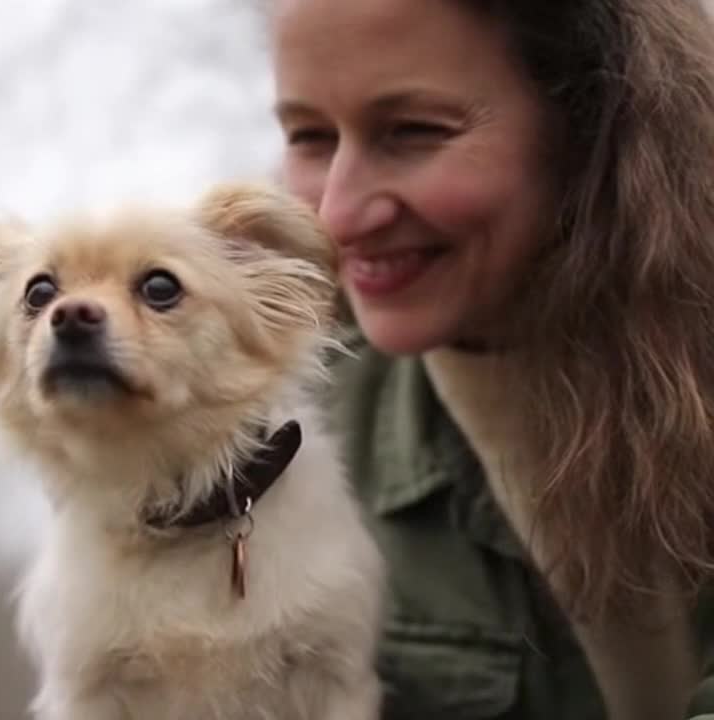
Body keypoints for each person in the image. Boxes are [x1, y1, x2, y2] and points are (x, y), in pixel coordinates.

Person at [268, 0, 714, 717]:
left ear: (591, 122)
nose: (337, 217)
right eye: (311, 137)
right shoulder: (292, 441)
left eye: (413, 132)